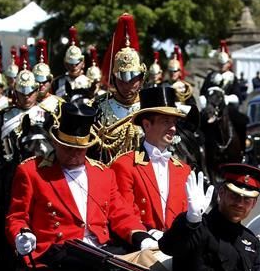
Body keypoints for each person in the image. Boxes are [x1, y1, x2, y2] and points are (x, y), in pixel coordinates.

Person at [6, 100, 154, 267]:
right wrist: (21, 235)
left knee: (143, 264)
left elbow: (120, 213)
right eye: (67, 148)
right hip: (57, 255)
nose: (74, 154)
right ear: (55, 142)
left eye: (80, 149)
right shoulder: (32, 171)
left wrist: (141, 236)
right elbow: (17, 217)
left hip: (102, 250)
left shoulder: (103, 173)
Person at [159, 163, 260, 271]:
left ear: (254, 203)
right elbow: (168, 247)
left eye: (247, 200)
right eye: (234, 196)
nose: (239, 204)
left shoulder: (250, 240)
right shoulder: (198, 226)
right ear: (221, 192)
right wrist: (191, 220)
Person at [111, 85, 191, 236]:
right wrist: (148, 234)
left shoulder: (184, 170)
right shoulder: (124, 165)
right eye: (166, 121)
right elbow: (125, 214)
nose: (173, 128)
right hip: (141, 246)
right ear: (147, 125)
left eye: (174, 122)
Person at [96, 13, 145, 163]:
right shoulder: (100, 107)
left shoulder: (150, 107)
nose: (127, 86)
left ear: (141, 79)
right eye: (122, 80)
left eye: (133, 81)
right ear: (114, 80)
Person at [51, 27, 86, 102]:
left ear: (83, 63)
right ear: (65, 64)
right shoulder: (56, 83)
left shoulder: (90, 82)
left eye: (77, 63)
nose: (74, 66)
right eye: (70, 63)